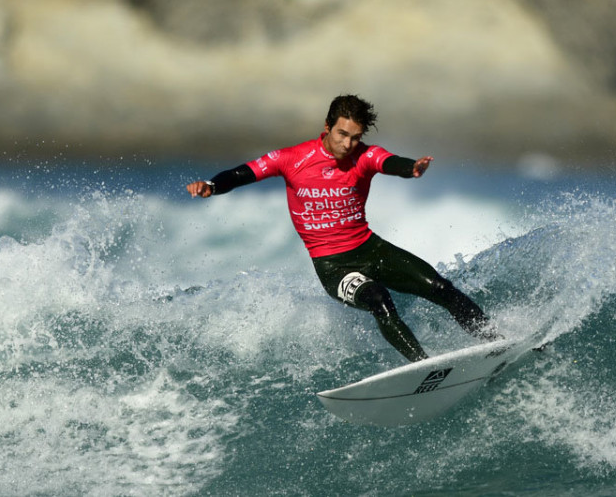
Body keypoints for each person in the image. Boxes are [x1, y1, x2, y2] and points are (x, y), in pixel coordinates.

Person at [186, 95, 498, 362]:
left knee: (442, 289)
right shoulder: (291, 159)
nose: (348, 144)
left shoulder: (364, 156)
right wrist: (212, 185)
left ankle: (496, 344)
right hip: (334, 265)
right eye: (341, 134)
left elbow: (390, 162)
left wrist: (411, 168)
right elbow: (244, 173)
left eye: (355, 137)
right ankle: (426, 368)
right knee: (379, 299)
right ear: (327, 127)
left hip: (371, 249)